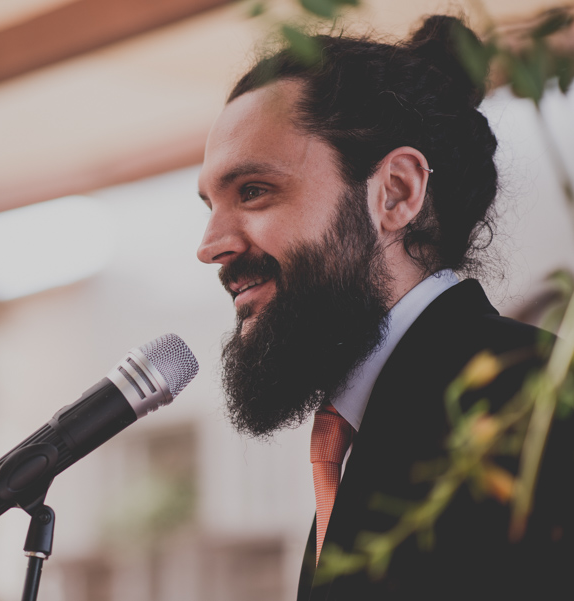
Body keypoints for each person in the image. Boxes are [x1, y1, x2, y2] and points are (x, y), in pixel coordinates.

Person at [196, 14, 573, 600]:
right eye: (210, 205)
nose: (210, 245)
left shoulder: (535, 404)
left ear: (395, 192)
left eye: (253, 191)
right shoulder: (358, 430)